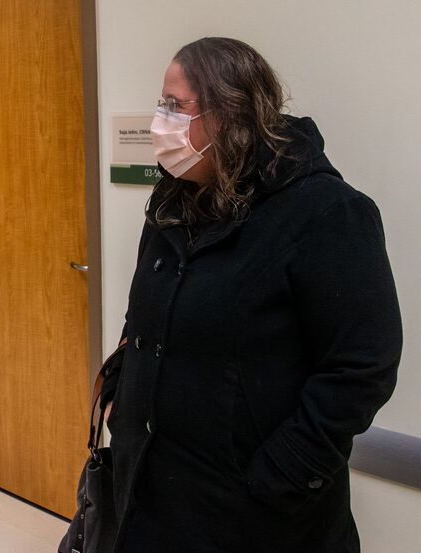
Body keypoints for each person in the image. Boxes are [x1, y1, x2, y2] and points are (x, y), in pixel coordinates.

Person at [101, 38, 402, 553]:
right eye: (161, 104)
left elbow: (361, 366)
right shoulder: (174, 198)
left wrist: (282, 475)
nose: (160, 122)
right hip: (155, 497)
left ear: (231, 113)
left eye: (176, 106)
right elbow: (148, 315)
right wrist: (120, 386)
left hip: (256, 516)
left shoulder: (326, 213)